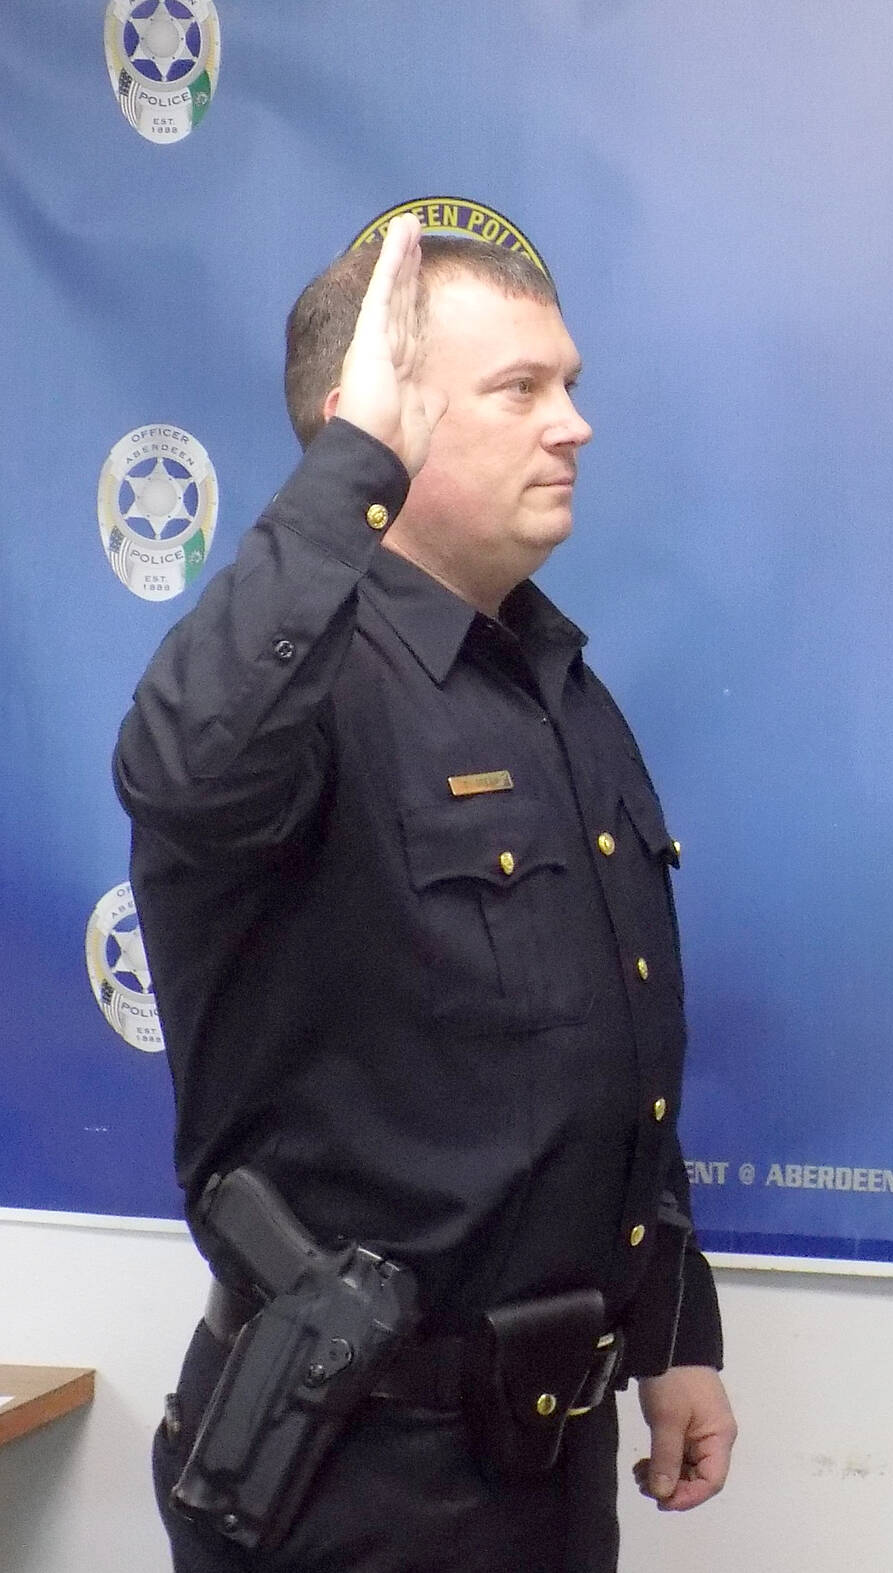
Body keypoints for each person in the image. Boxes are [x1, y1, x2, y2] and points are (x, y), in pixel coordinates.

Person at [116, 214, 736, 1572]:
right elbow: (180, 773)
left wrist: (673, 1330)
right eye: (520, 390)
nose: (571, 425)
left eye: (570, 384)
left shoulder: (559, 688)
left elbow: (615, 1046)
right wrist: (351, 478)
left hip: (546, 1464)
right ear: (373, 425)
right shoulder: (294, 689)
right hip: (347, 1473)